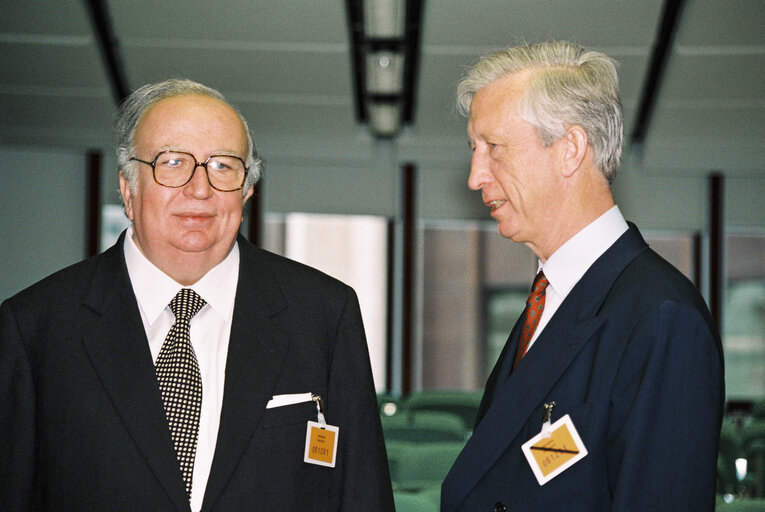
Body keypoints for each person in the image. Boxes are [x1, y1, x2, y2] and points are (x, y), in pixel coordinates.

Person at [0, 79, 394, 512]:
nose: (200, 189)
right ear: (128, 190)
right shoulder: (35, 326)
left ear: (247, 191)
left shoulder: (323, 314)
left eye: (223, 166)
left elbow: (362, 495)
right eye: (171, 162)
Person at [440, 42, 724, 511]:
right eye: (474, 149)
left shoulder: (662, 318)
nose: (475, 176)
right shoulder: (550, 299)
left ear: (570, 149)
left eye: (494, 148)